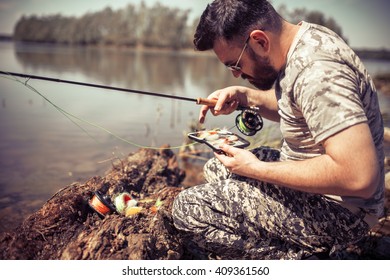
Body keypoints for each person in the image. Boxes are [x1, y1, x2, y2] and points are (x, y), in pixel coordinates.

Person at [172, 0, 385, 259]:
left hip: (342, 211)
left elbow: (359, 177)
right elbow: (300, 104)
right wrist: (245, 97)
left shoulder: (317, 71)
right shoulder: (303, 41)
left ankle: (303, 260)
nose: (235, 75)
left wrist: (255, 169)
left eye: (235, 64)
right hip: (320, 191)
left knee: (187, 208)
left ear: (260, 41)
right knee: (217, 167)